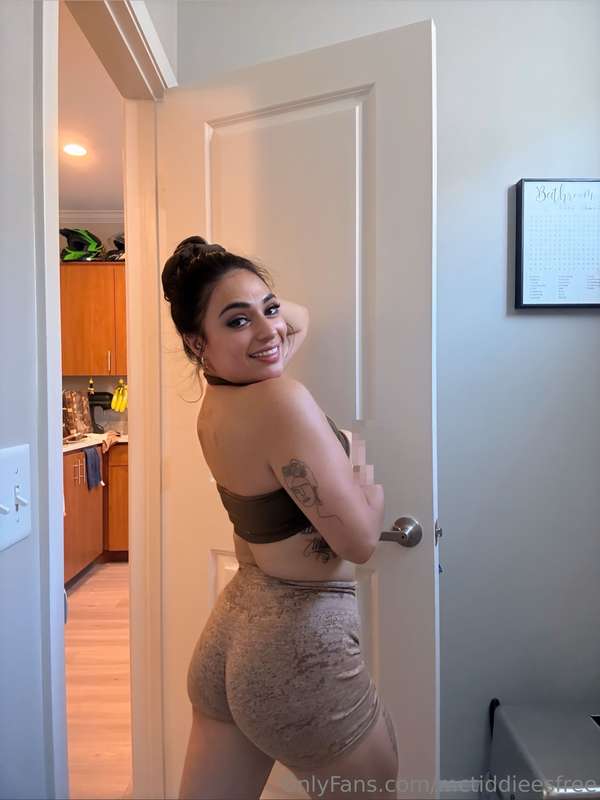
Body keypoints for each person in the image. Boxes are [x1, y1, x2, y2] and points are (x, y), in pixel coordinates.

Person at [161, 236, 399, 800]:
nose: (272, 332)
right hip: (298, 646)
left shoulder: (219, 400)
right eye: (237, 321)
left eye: (269, 309)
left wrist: (229, 288)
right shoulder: (279, 400)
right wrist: (363, 476)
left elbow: (300, 318)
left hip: (232, 632)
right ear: (197, 342)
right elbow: (361, 542)